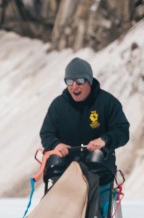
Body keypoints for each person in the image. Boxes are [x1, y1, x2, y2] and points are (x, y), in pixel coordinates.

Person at [39, 56, 130, 188]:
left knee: (96, 204)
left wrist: (104, 140)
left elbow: (122, 131)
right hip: (64, 174)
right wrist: (56, 144)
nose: (74, 86)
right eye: (69, 81)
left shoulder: (108, 103)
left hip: (99, 173)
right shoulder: (58, 106)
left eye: (80, 81)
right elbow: (47, 133)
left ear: (89, 81)